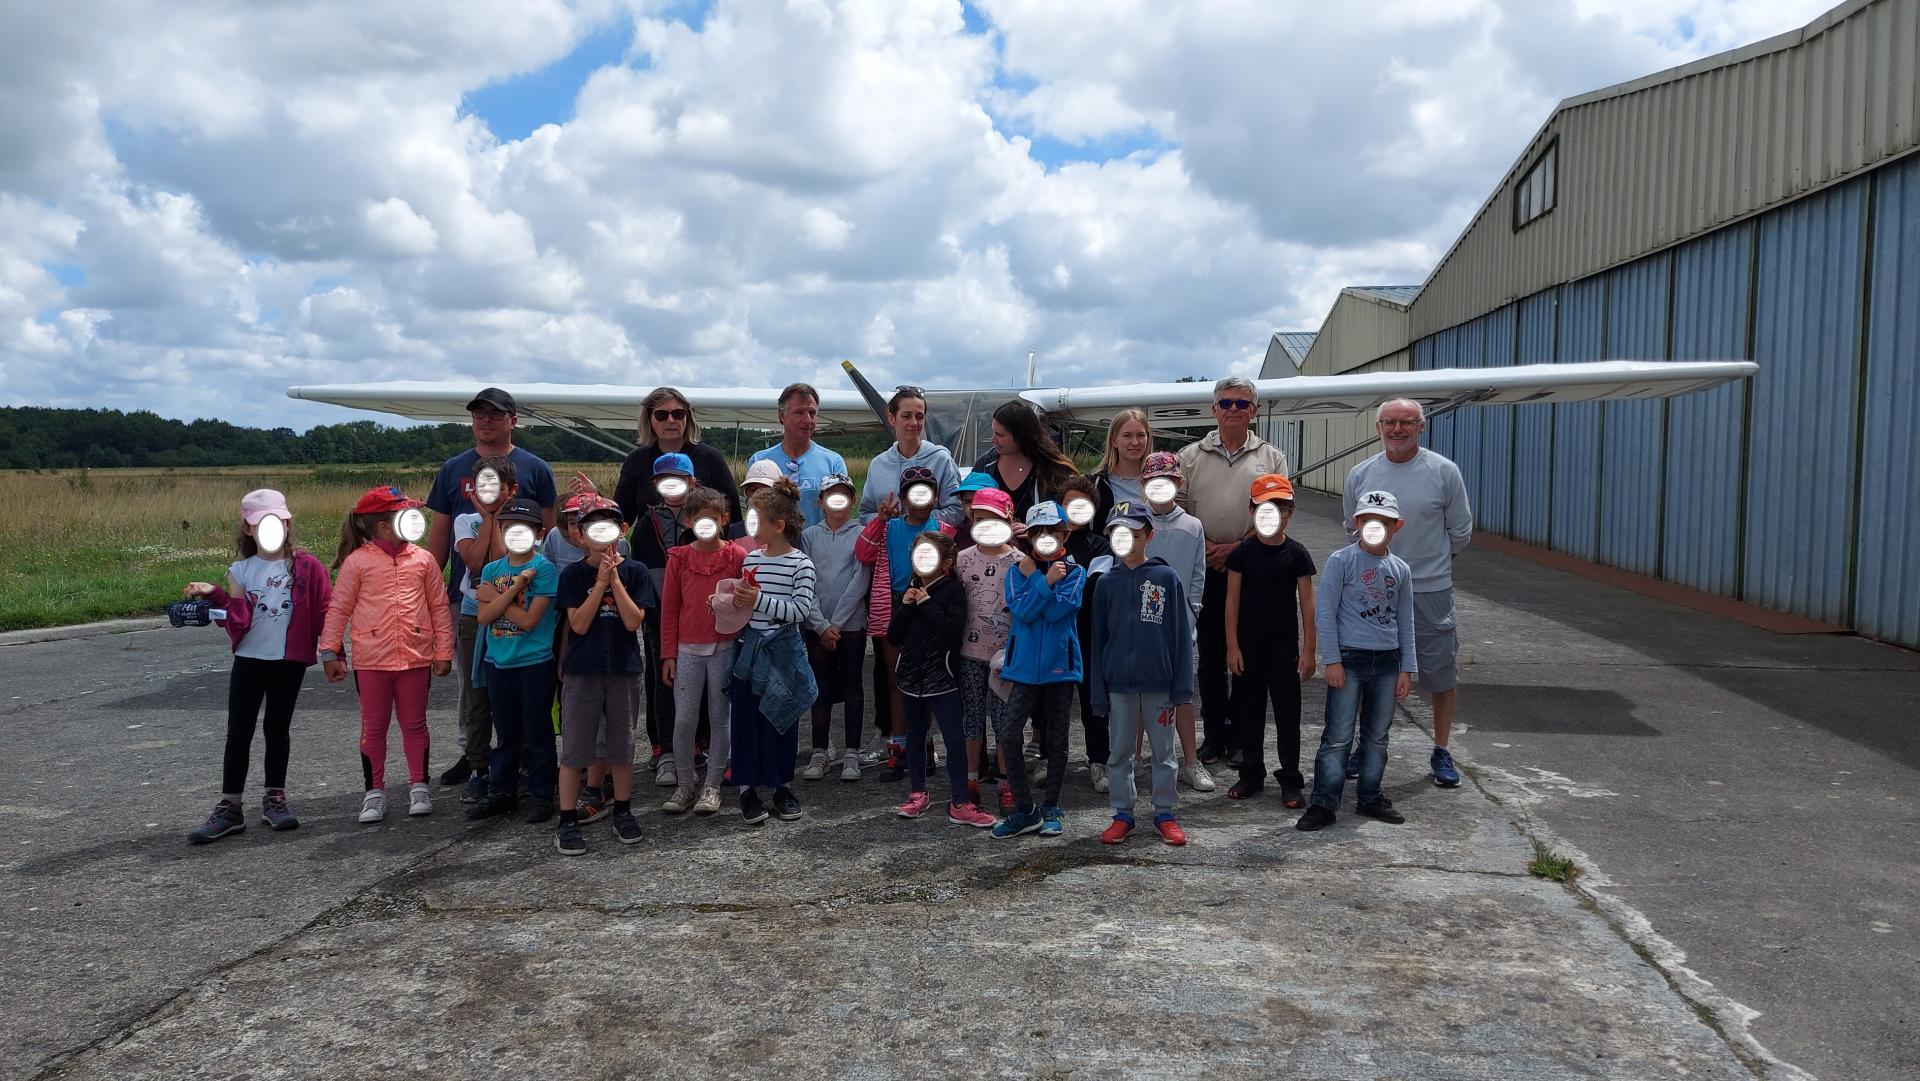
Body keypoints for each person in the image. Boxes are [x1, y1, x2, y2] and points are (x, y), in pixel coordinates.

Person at [425, 388, 557, 790]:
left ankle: (525, 757)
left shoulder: (535, 467)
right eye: (479, 414)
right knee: (476, 684)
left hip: (526, 592)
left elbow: (549, 530)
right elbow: (443, 529)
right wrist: (428, 585)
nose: (485, 420)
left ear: (513, 421)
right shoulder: (452, 469)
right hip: (470, 595)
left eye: (495, 415)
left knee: (525, 681)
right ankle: (477, 758)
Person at [183, 489, 332, 844]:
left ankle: (274, 798)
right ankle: (230, 806)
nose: (272, 528)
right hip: (249, 660)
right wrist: (215, 595)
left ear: (287, 523)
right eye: (261, 523)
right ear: (248, 530)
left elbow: (325, 611)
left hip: (288, 661)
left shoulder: (307, 567)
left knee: (277, 729)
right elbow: (237, 622)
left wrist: (331, 653)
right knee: (239, 730)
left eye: (278, 521)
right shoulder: (241, 570)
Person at [1343, 398, 1473, 788]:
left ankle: (1441, 749)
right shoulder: (1360, 474)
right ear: (1378, 427)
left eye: (1406, 422)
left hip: (1429, 589)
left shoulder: (1443, 472)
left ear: (1421, 427)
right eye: (1389, 422)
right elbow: (1352, 527)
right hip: (1373, 591)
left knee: (1439, 672)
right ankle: (1364, 746)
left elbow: (1460, 531)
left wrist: (1429, 564)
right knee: (1368, 670)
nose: (1397, 429)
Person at [319, 485, 455, 824]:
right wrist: (329, 651)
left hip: (415, 658)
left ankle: (418, 786)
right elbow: (339, 608)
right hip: (371, 661)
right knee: (374, 727)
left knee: (415, 723)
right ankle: (374, 791)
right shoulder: (357, 563)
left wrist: (443, 650)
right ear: (384, 525)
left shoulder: (423, 560)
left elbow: (438, 606)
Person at [1175, 376, 1287, 766]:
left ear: (1254, 410)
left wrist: (1238, 547)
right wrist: (1205, 545)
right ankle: (1214, 735)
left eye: (1242, 404)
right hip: (1204, 567)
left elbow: (1275, 509)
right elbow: (1181, 507)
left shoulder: (1271, 458)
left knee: (1245, 656)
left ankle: (1242, 735)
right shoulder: (1189, 456)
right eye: (1226, 403)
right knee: (1209, 656)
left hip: (1249, 568)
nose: (1234, 410)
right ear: (1214, 409)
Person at [1298, 491, 1417, 831]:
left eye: (1383, 522)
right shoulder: (1342, 561)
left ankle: (1370, 795)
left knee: (1377, 735)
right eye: (1366, 520)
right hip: (1349, 660)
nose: (1373, 527)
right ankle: (1324, 802)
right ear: (1356, 524)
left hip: (1388, 663)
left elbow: (1406, 620)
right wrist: (1331, 660)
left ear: (1397, 526)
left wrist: (1407, 668)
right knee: (1338, 736)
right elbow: (1326, 612)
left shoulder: (1400, 569)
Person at [1088, 503, 1193, 846]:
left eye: (1134, 533)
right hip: (1118, 685)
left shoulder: (1166, 579)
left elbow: (1180, 637)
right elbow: (1097, 641)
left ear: (1149, 535)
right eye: (1120, 534)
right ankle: (1123, 814)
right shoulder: (1105, 584)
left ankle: (1164, 813)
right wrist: (1098, 692)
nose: (1128, 540)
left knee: (1163, 754)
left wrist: (1181, 688)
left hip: (1159, 685)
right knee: (1118, 752)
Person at [552, 497, 653, 855]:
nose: (601, 534)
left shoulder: (636, 571)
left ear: (622, 531)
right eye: (592, 527)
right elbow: (577, 623)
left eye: (609, 525)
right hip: (583, 672)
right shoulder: (573, 575)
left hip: (624, 670)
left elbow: (632, 620)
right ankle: (566, 820)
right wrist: (599, 582)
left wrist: (615, 580)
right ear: (579, 536)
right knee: (576, 748)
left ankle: (622, 811)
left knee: (622, 746)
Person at [857, 463, 959, 782]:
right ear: (902, 498)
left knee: (927, 677)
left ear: (936, 496)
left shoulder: (944, 530)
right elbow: (863, 553)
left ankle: (924, 746)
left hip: (931, 602)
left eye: (927, 491)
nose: (920, 498)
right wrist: (879, 519)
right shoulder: (890, 527)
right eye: (913, 492)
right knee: (895, 679)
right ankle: (899, 748)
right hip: (898, 601)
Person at [727, 477, 819, 825]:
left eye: (756, 521)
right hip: (750, 650)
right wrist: (724, 603)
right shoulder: (750, 558)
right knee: (747, 720)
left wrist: (758, 599)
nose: (751, 527)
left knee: (782, 720)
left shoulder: (801, 564)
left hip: (783, 652)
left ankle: (782, 785)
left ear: (778, 525)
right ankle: (747, 791)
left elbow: (800, 611)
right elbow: (743, 607)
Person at [990, 501, 1085, 840]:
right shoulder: (1019, 570)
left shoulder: (1075, 571)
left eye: (1053, 532)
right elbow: (1023, 612)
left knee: (1057, 741)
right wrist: (1043, 580)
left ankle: (1052, 807)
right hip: (1024, 670)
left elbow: (1063, 610)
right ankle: (1025, 810)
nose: (1046, 538)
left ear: (1065, 534)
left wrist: (1042, 583)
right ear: (1029, 536)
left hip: (1061, 671)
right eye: (1038, 532)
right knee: (1009, 735)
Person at [466, 498, 563, 824]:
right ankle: (502, 790)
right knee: (505, 732)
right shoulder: (493, 569)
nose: (514, 534)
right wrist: (514, 591)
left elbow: (529, 621)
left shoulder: (545, 569)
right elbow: (483, 618)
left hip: (534, 662)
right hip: (498, 663)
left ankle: (541, 792)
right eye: (508, 528)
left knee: (537, 731)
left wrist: (499, 595)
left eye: (523, 529)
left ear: (538, 532)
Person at [1225, 474, 1317, 806]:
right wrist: (1232, 646)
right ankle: (1251, 774)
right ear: (1252, 510)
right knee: (1249, 714)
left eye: (1281, 507)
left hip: (1285, 653)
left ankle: (1290, 779)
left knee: (1287, 717)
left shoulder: (1297, 554)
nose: (1274, 513)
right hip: (1248, 651)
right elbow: (1232, 601)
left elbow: (1307, 603)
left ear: (1290, 512)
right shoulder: (1242, 554)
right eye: (1265, 507)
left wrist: (1309, 650)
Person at [890, 532, 993, 826]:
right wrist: (908, 605)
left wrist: (925, 604)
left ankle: (960, 800)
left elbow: (952, 630)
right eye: (918, 553)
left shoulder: (953, 590)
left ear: (946, 562)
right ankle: (917, 793)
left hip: (944, 677)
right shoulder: (908, 590)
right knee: (915, 735)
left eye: (929, 554)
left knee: (954, 737)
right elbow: (893, 635)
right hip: (911, 677)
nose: (922, 560)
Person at [659, 486, 745, 816]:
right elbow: (669, 610)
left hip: (725, 647)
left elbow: (745, 601)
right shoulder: (679, 559)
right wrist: (669, 654)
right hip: (688, 650)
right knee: (684, 719)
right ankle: (685, 783)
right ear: (689, 520)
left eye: (714, 517)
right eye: (699, 518)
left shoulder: (737, 556)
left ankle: (712, 785)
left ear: (724, 519)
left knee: (720, 718)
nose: (707, 523)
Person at [447, 454, 521, 802]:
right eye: (483, 487)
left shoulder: (522, 523)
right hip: (473, 615)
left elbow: (499, 562)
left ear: (512, 491)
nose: (489, 493)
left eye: (497, 487)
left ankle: (513, 762)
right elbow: (476, 562)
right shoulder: (465, 520)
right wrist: (489, 519)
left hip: (509, 614)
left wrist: (497, 518)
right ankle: (479, 766)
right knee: (476, 695)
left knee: (508, 691)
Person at [1140, 451, 1214, 792]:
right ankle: (1136, 761)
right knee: (1139, 693)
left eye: (1168, 481)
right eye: (1154, 482)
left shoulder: (1193, 525)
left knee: (1183, 695)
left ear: (1178, 483)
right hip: (1142, 628)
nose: (1161, 487)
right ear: (1143, 485)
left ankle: (1190, 761)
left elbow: (1198, 576)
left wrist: (1192, 612)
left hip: (1182, 628)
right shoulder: (1135, 524)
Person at [631, 451, 698, 786]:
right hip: (659, 615)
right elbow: (644, 577)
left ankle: (699, 743)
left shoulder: (704, 521)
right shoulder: (645, 527)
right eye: (665, 479)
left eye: (680, 478)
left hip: (700, 616)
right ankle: (665, 749)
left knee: (700, 681)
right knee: (663, 680)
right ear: (656, 485)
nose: (673, 486)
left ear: (692, 482)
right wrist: (655, 613)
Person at [800, 473, 870, 782]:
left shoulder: (862, 533)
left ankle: (852, 753)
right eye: (830, 495)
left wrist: (837, 624)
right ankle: (819, 752)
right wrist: (821, 624)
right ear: (820, 501)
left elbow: (859, 580)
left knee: (853, 686)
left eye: (844, 495)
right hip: (817, 627)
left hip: (851, 625)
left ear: (853, 501)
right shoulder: (809, 536)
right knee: (821, 688)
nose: (837, 501)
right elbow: (806, 581)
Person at [955, 487, 1020, 811]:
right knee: (972, 718)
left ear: (1008, 519)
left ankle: (1006, 782)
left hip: (1006, 657)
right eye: (980, 519)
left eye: (993, 519)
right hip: (970, 653)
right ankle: (970, 778)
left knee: (1005, 721)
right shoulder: (963, 559)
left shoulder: (1020, 561)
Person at [612, 385, 742, 532]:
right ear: (649, 419)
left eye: (678, 413)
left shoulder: (711, 458)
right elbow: (621, 516)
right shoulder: (636, 460)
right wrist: (597, 498)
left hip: (702, 548)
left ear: (687, 417)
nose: (671, 420)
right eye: (662, 415)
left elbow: (733, 515)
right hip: (651, 549)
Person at [1057, 473, 1112, 790]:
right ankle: (1052, 758)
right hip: (1055, 636)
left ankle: (1098, 761)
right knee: (1054, 703)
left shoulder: (1101, 545)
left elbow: (1091, 590)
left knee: (1094, 703)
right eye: (1068, 503)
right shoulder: (1046, 543)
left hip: (1090, 635)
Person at [860, 386, 964, 527]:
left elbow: (957, 511)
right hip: (889, 546)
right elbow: (865, 514)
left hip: (930, 545)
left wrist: (912, 519)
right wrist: (882, 518)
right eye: (906, 416)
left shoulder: (941, 460)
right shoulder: (877, 464)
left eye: (919, 416)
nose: (914, 423)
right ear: (892, 419)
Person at [748, 383, 849, 529]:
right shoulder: (759, 461)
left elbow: (840, 514)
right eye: (799, 413)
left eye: (812, 413)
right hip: (773, 548)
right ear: (782, 416)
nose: (807, 420)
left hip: (817, 548)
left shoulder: (833, 462)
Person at [973, 400, 1077, 525]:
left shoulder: (1056, 471)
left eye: (999, 435)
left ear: (1021, 436)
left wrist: (1033, 532)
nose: (993, 439)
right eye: (993, 432)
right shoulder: (984, 465)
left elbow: (1069, 519)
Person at [1091, 408, 1153, 528]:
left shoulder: (1160, 482)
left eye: (1140, 435)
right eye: (1127, 436)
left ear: (1148, 438)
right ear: (1114, 441)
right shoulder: (1096, 485)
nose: (1135, 442)